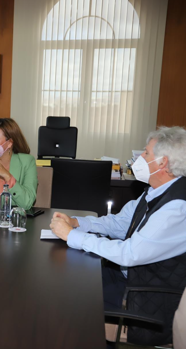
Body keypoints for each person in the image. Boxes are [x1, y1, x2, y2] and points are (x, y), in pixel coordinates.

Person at [50, 126, 186, 345]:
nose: (140, 157)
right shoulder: (155, 191)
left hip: (145, 298)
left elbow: (129, 253)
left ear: (163, 163)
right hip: (129, 279)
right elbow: (119, 223)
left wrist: (73, 236)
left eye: (146, 153)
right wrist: (77, 222)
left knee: (67, 304)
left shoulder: (177, 209)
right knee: (63, 281)